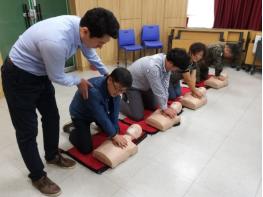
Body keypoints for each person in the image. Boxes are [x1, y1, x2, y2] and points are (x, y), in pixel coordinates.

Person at [1, 7, 119, 196]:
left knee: (51, 117)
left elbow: (90, 54)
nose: (100, 47)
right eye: (100, 43)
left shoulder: (82, 26)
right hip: (18, 76)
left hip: (39, 73)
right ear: (85, 32)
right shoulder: (56, 41)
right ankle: (37, 175)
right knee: (27, 130)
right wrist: (79, 81)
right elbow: (57, 76)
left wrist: (109, 75)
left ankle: (52, 155)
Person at [69, 67, 133, 154]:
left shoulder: (116, 90)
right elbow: (101, 116)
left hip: (98, 112)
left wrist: (115, 132)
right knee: (86, 149)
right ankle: (73, 131)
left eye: (122, 91)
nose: (118, 93)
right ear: (110, 79)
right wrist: (114, 135)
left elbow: (115, 112)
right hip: (80, 115)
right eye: (117, 89)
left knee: (113, 130)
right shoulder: (93, 90)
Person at [120, 48, 190, 121]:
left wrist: (165, 106)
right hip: (132, 86)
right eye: (177, 69)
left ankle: (136, 99)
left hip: (145, 86)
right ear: (171, 63)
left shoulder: (167, 61)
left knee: (155, 105)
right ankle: (117, 101)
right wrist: (165, 108)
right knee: (138, 116)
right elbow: (158, 88)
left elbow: (165, 85)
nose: (175, 71)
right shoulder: (153, 67)